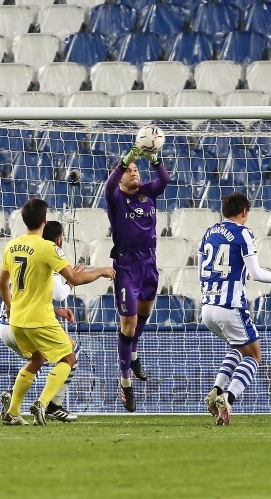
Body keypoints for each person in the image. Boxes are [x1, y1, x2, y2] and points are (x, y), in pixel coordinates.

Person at [0, 199, 115, 426]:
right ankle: (43, 403)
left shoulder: (11, 246)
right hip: (39, 318)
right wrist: (101, 271)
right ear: (44, 221)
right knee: (69, 357)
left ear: (24, 220)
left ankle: (13, 412)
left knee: (36, 359)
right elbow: (74, 279)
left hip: (17, 320)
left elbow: (2, 284)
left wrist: (10, 305)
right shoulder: (47, 247)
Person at [199, 193, 271, 426]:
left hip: (207, 308)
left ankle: (216, 390)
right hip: (230, 307)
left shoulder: (209, 233)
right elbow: (257, 274)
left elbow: (205, 269)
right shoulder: (243, 233)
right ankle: (228, 397)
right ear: (244, 212)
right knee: (254, 355)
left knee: (237, 348)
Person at [104, 142, 171, 412]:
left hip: (150, 264)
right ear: (120, 176)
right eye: (129, 170)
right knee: (128, 325)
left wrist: (154, 157)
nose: (135, 173)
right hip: (127, 268)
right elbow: (107, 186)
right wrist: (128, 157)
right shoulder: (115, 198)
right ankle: (125, 383)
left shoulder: (147, 193)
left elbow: (164, 179)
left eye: (136, 169)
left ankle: (133, 354)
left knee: (145, 312)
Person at [0, 221, 82, 423]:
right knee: (71, 353)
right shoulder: (46, 253)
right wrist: (72, 280)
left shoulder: (19, 250)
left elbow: (25, 293)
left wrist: (57, 311)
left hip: (6, 324)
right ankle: (51, 404)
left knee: (38, 359)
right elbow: (60, 292)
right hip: (29, 322)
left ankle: (13, 404)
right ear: (59, 238)